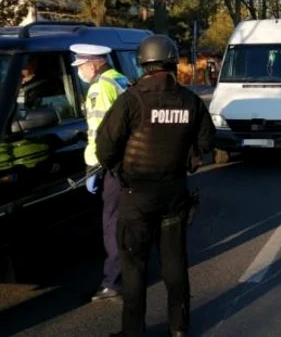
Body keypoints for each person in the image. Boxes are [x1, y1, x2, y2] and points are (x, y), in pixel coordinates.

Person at [95, 34, 216, 337]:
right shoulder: (190, 101)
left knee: (134, 268)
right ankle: (179, 327)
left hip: (136, 197)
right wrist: (189, 158)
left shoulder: (130, 100)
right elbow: (207, 143)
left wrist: (117, 168)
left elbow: (105, 144)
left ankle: (133, 331)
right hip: (174, 194)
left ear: (144, 64)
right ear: (172, 61)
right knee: (174, 265)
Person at [70, 44, 129, 302]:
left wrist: (93, 166)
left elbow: (100, 132)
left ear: (93, 64)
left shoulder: (99, 87)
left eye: (81, 66)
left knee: (112, 222)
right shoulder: (119, 78)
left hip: (112, 164)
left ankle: (114, 281)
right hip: (129, 160)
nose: (80, 72)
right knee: (126, 219)